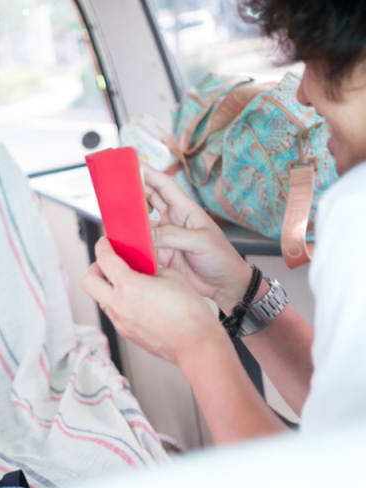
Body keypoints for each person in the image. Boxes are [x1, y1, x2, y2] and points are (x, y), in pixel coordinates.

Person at [81, 0, 366, 444]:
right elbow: (345, 423)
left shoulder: (356, 209)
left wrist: (197, 343)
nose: (303, 93)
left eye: (316, 62)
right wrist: (237, 288)